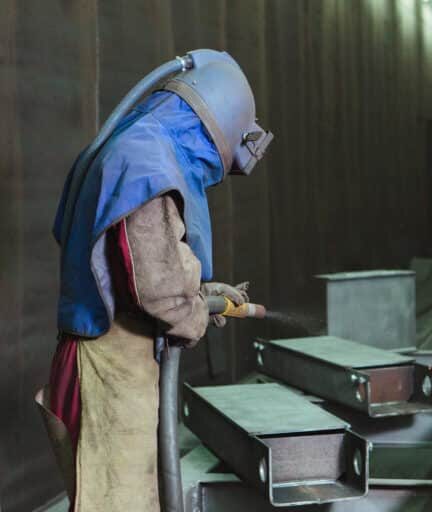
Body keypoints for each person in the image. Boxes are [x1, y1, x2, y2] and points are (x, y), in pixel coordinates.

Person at [36, 49, 272, 511]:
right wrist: (193, 311)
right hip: (108, 370)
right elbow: (157, 290)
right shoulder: (147, 159)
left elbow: (128, 261)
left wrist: (203, 292)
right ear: (220, 125)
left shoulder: (135, 144)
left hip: (100, 359)